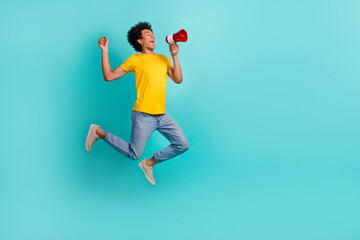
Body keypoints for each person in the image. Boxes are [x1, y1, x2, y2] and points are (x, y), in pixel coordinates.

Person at [85, 22, 189, 185]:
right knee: (134, 154)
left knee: (182, 145)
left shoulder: (163, 59)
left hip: (162, 115)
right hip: (143, 116)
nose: (152, 36)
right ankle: (99, 132)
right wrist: (105, 52)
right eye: (147, 34)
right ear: (140, 41)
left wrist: (174, 56)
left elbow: (178, 79)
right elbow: (109, 76)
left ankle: (149, 163)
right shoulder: (135, 60)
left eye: (152, 33)